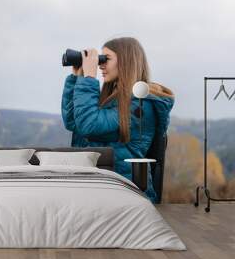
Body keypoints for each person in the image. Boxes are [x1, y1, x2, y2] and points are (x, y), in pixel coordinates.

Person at [61, 37, 174, 203]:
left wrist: (89, 79)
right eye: (100, 59)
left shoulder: (141, 105)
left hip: (128, 193)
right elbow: (73, 122)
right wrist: (76, 77)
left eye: (106, 59)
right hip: (106, 189)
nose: (100, 64)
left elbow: (89, 125)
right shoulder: (114, 99)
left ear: (126, 62)